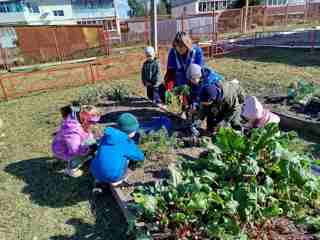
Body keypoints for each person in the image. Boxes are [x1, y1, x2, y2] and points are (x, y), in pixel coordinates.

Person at [90, 113, 144, 192]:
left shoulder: (107, 136)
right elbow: (139, 157)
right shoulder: (125, 143)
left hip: (95, 171)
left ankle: (98, 183)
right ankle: (116, 182)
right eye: (135, 130)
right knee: (126, 159)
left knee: (103, 155)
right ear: (130, 131)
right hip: (113, 176)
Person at [52, 104, 100, 177]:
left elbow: (87, 134)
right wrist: (88, 150)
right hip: (62, 150)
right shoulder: (73, 131)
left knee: (91, 143)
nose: (95, 124)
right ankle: (71, 168)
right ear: (84, 119)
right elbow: (75, 150)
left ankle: (87, 154)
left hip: (67, 143)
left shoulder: (77, 116)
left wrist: (91, 143)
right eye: (92, 122)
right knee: (87, 149)